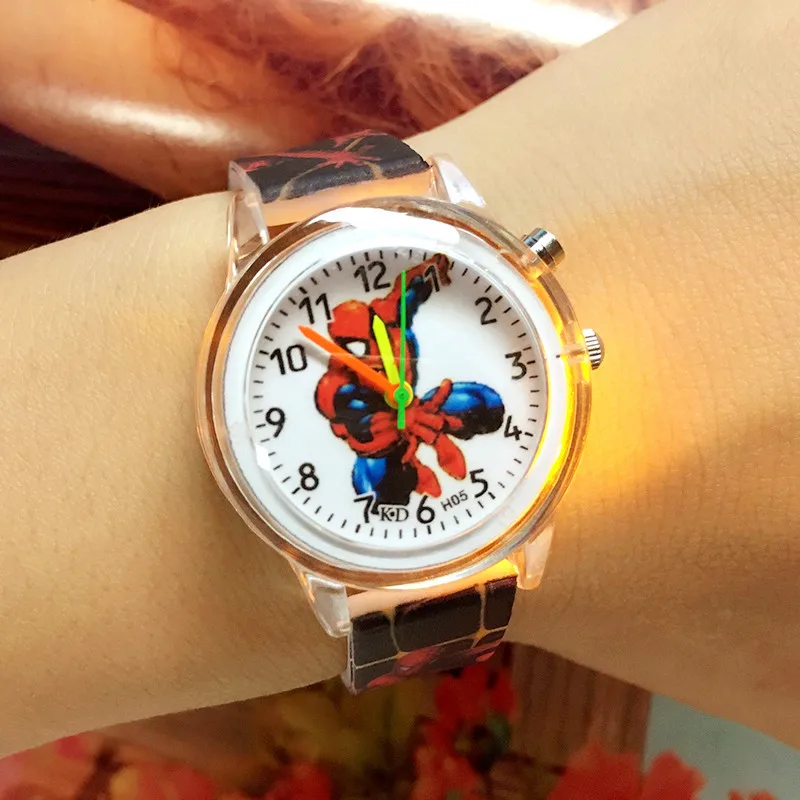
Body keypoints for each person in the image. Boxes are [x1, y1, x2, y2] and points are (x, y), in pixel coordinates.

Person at [2, 0, 800, 757]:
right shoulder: (365, 387)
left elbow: (414, 318)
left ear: (573, 348)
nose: (407, 395)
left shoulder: (418, 364)